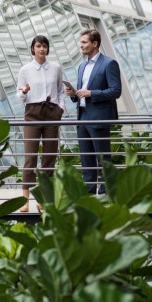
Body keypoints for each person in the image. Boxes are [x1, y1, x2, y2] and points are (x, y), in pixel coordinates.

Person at [65, 29, 121, 194]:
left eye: (84, 42)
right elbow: (82, 93)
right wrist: (73, 94)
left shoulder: (109, 64)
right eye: (81, 42)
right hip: (82, 116)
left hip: (99, 117)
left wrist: (92, 93)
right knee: (86, 158)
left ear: (95, 44)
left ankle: (105, 193)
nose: (80, 45)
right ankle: (89, 192)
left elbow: (116, 91)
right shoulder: (82, 66)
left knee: (103, 158)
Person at [16, 35, 65, 212]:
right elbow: (19, 96)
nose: (42, 49)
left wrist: (60, 109)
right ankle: (25, 201)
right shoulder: (25, 70)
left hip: (52, 112)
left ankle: (43, 199)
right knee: (30, 157)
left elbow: (60, 91)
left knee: (49, 157)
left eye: (44, 46)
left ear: (47, 48)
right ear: (33, 49)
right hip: (32, 113)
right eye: (38, 46)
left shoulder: (55, 68)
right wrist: (24, 92)